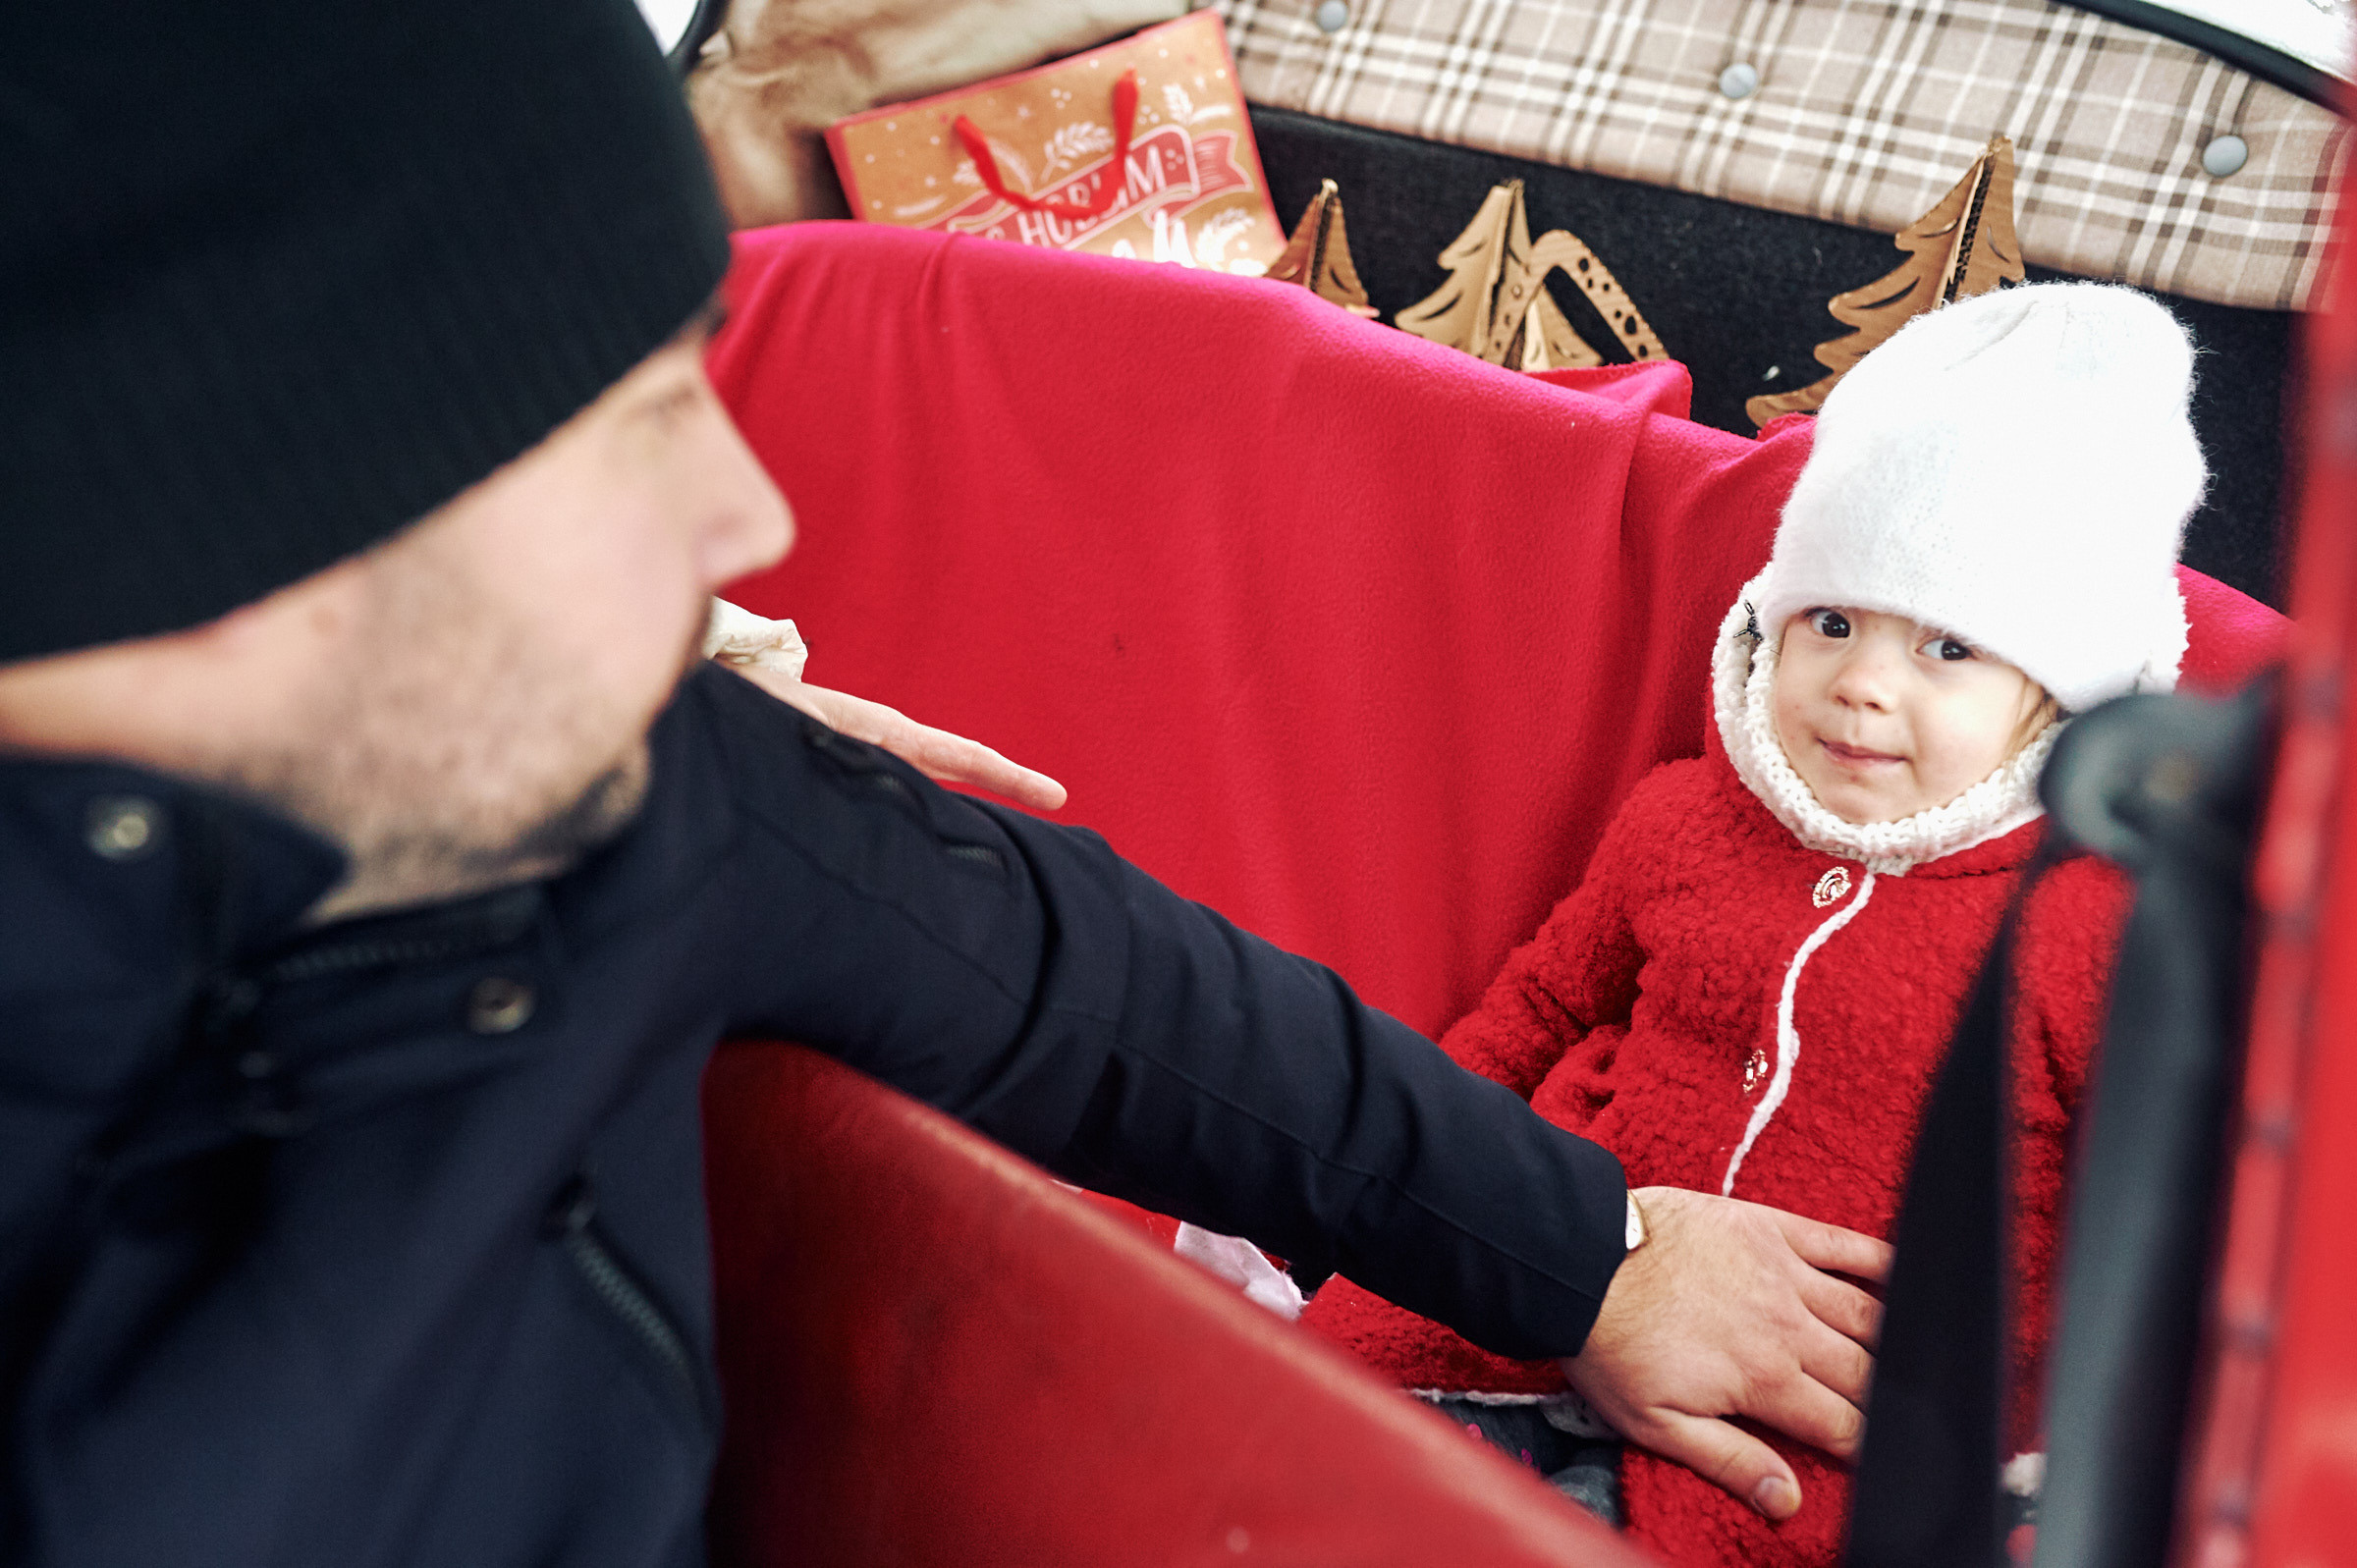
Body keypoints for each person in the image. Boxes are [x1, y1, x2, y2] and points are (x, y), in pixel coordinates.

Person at [0, 2, 1886, 1560]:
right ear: (254, 544)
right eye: (640, 433)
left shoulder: (654, 792)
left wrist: (1590, 1253)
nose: (747, 520)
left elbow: (1093, 982)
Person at [1300, 282, 2205, 1563]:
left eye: (1949, 648)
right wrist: (1397, 1182)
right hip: (1551, 1297)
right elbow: (1538, 1008)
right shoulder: (1684, 821)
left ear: (2054, 702)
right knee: (1302, 1437)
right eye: (1830, 622)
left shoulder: (2085, 923)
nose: (1864, 683)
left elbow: (2157, 1221)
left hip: (1816, 1425)